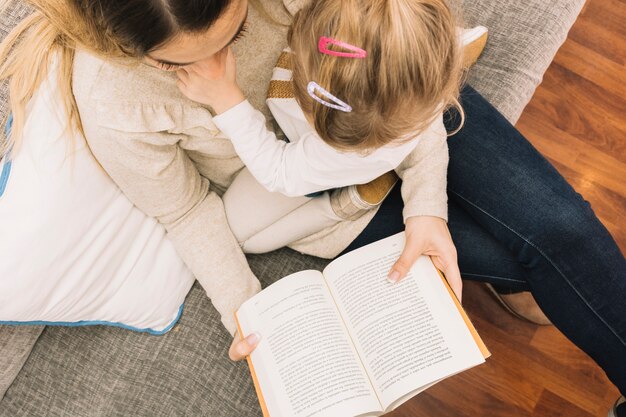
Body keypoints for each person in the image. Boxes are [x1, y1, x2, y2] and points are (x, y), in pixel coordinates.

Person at [0, 0, 623, 415]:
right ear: (146, 55)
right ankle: (516, 284)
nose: (224, 64)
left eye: (239, 30)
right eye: (191, 62)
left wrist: (426, 201)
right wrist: (245, 310)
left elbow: (402, 86)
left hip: (394, 110)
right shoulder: (118, 104)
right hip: (313, 186)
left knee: (561, 231)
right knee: (503, 260)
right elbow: (187, 212)